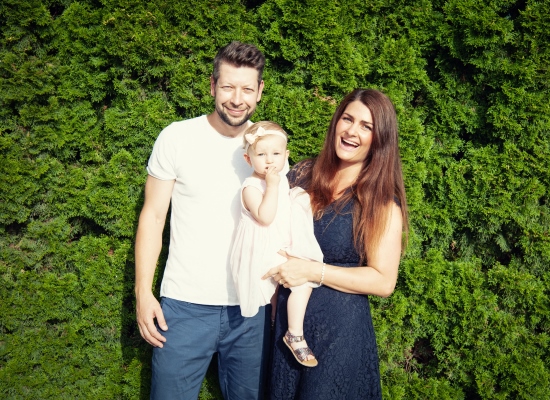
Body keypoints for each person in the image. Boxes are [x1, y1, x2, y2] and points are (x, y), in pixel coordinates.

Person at [134, 41, 269, 399]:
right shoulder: (177, 137)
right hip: (183, 307)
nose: (236, 99)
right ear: (212, 86)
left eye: (246, 89)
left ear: (259, 91)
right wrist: (143, 293)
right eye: (228, 87)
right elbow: (153, 216)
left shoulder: (269, 147)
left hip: (252, 309)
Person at [265, 88, 409, 399]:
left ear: (380, 139)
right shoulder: (303, 173)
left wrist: (312, 271)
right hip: (286, 330)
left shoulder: (381, 202)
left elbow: (383, 281)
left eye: (366, 126)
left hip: (339, 335)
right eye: (347, 119)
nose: (352, 131)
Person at [230, 121, 323, 369]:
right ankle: (294, 334)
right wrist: (271, 186)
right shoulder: (251, 187)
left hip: (277, 243)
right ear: (248, 159)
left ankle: (277, 326)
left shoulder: (280, 180)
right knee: (302, 283)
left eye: (276, 154)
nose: (269, 161)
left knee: (292, 287)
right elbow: (266, 216)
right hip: (260, 250)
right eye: (261, 155)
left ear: (286, 155)